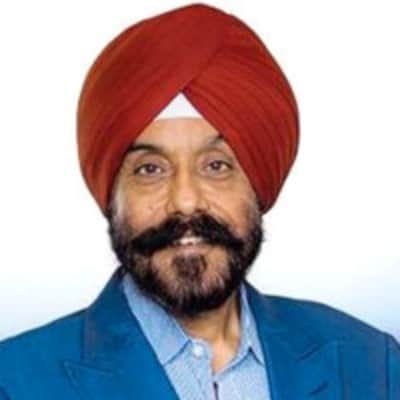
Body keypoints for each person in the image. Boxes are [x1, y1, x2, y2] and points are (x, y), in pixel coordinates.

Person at [0, 3, 399, 399]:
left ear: (257, 185)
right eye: (150, 169)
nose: (186, 201)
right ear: (112, 196)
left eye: (216, 166)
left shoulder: (369, 363)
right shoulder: (15, 382)